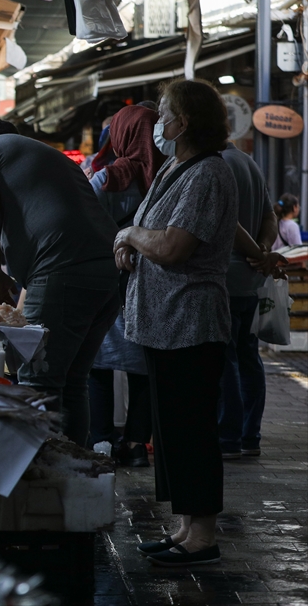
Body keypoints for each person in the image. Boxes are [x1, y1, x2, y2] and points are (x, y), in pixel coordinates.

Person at [116, 79, 271, 567]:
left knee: (192, 431)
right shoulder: (178, 167)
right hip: (162, 321)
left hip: (188, 319)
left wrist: (130, 234)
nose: (158, 122)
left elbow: (173, 246)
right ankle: (185, 526)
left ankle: (202, 537)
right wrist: (131, 240)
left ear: (183, 123)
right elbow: (185, 228)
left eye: (164, 114)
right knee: (173, 431)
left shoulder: (207, 172)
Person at [0, 118, 120, 445]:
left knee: (38, 379)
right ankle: (74, 467)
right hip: (109, 273)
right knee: (72, 380)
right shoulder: (49, 156)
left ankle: (41, 470)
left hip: (62, 271)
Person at [87, 105, 161, 462]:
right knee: (143, 365)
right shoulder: (168, 177)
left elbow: (82, 225)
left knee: (98, 361)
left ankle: (101, 441)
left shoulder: (106, 178)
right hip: (152, 283)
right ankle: (135, 446)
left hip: (106, 279)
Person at [218, 153, 279, 460]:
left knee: (225, 359)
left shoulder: (214, 163)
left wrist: (257, 251)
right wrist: (263, 250)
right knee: (248, 357)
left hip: (223, 279)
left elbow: (227, 221)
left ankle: (227, 438)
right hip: (251, 281)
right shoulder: (250, 163)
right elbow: (270, 217)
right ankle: (249, 436)